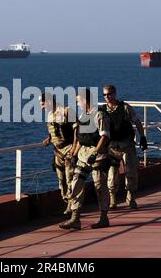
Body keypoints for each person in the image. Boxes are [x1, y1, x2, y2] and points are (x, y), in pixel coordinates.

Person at [59, 88, 111, 230]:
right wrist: (74, 154)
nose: (77, 103)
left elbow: (104, 136)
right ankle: (75, 218)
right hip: (83, 154)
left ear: (86, 100)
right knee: (76, 183)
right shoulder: (84, 116)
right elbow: (81, 137)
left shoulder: (99, 115)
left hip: (97, 154)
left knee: (99, 185)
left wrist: (96, 152)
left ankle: (103, 217)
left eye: (78, 100)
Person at [102, 85, 147, 210]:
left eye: (109, 94)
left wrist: (142, 137)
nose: (107, 97)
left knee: (131, 172)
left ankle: (130, 197)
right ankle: (112, 200)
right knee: (111, 175)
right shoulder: (103, 111)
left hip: (127, 145)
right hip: (111, 148)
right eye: (104, 95)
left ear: (115, 93)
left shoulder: (125, 108)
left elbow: (137, 121)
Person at [40, 92, 77, 215]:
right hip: (58, 152)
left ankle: (72, 206)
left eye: (43, 104)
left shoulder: (66, 112)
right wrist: (49, 139)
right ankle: (67, 201)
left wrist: (74, 149)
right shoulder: (49, 115)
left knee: (70, 179)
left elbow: (77, 130)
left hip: (68, 150)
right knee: (61, 180)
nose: (42, 107)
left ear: (49, 102)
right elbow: (54, 131)